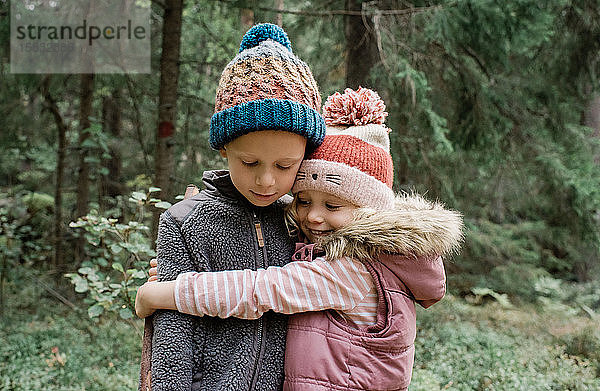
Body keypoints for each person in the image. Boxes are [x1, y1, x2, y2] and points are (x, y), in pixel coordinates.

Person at [137, 87, 464, 390]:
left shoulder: (352, 272)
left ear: (370, 209)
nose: (313, 216)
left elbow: (261, 290)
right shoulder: (350, 254)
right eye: (304, 201)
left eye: (332, 205)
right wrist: (178, 266)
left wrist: (167, 293)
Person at [145, 23, 326, 391]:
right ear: (224, 148)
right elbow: (171, 340)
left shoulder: (308, 221)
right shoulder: (185, 222)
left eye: (284, 166)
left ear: (306, 155)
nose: (266, 182)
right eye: (250, 163)